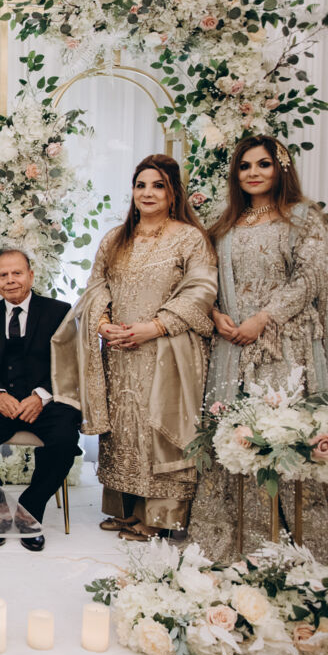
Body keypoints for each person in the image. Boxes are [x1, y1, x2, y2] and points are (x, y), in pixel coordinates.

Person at [187, 136, 328, 562]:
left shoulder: (303, 218)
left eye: (263, 164)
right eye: (244, 166)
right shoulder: (225, 224)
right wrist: (215, 314)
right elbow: (208, 281)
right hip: (232, 345)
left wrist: (263, 318)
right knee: (237, 434)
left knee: (282, 432)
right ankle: (240, 535)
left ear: (281, 169)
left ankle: (302, 537)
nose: (253, 172)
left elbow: (308, 279)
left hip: (282, 345)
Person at [53, 154, 217, 540]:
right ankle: (125, 510)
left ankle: (159, 517)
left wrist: (154, 327)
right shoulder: (115, 238)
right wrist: (103, 324)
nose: (148, 192)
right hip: (120, 353)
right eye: (140, 185)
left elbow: (202, 289)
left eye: (158, 185)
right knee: (124, 431)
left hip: (166, 351)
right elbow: (97, 287)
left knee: (158, 429)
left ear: (173, 192)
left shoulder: (189, 237)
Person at [0, 249, 83, 552]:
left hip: (47, 403)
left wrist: (41, 396)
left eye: (17, 273)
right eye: (3, 275)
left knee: (65, 439)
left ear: (31, 275)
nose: (10, 280)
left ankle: (30, 509)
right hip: (2, 403)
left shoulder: (59, 312)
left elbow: (72, 361)